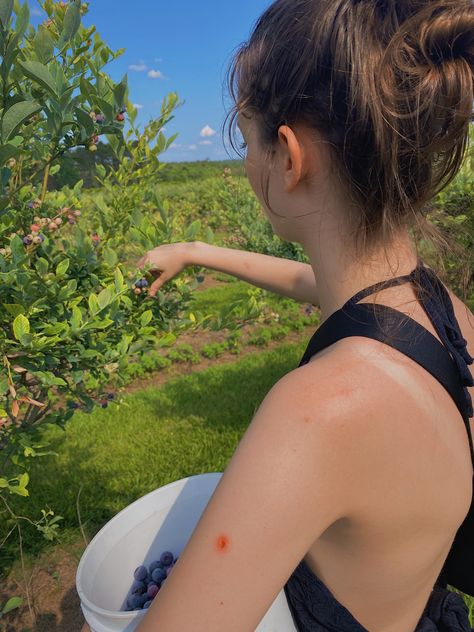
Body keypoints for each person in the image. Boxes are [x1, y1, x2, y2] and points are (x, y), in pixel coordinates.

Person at [81, 0, 473, 630]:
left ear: (288, 156)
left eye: (247, 138)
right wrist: (197, 251)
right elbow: (313, 284)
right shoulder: (438, 310)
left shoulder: (317, 414)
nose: (244, 165)